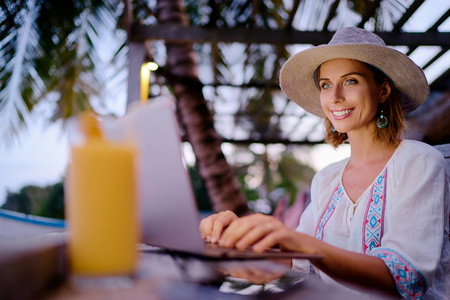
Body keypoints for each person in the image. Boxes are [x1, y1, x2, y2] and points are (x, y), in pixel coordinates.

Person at [199, 27, 449, 299]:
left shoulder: (420, 162)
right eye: (326, 85)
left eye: (350, 81)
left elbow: (405, 277)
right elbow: (300, 265)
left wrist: (296, 240)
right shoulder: (326, 179)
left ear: (383, 90)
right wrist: (233, 247)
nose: (335, 96)